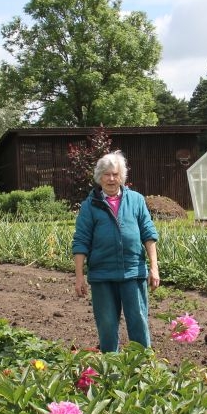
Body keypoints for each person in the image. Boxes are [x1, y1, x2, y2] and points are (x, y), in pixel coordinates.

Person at [72, 151, 160, 353]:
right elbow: (80, 242)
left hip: (133, 273)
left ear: (122, 177)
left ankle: (142, 369)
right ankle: (111, 371)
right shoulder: (89, 206)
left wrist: (154, 268)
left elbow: (148, 234)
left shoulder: (136, 200)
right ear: (99, 177)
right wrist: (79, 277)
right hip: (102, 276)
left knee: (138, 322)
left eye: (115, 174)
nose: (111, 179)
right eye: (106, 174)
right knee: (107, 326)